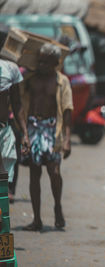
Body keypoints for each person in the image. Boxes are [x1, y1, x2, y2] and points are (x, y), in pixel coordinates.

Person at [20, 43, 73, 231]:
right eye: (39, 61)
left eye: (45, 62)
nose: (41, 65)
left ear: (55, 63)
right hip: (33, 127)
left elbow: (67, 110)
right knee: (35, 174)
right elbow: (17, 102)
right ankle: (37, 219)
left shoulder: (62, 81)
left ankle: (57, 207)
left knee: (54, 172)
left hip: (53, 129)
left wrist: (67, 139)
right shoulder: (29, 79)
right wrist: (24, 134)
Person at [0, 25, 29, 202]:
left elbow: (17, 105)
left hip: (5, 126)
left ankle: (4, 226)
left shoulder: (11, 68)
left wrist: (24, 132)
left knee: (6, 167)